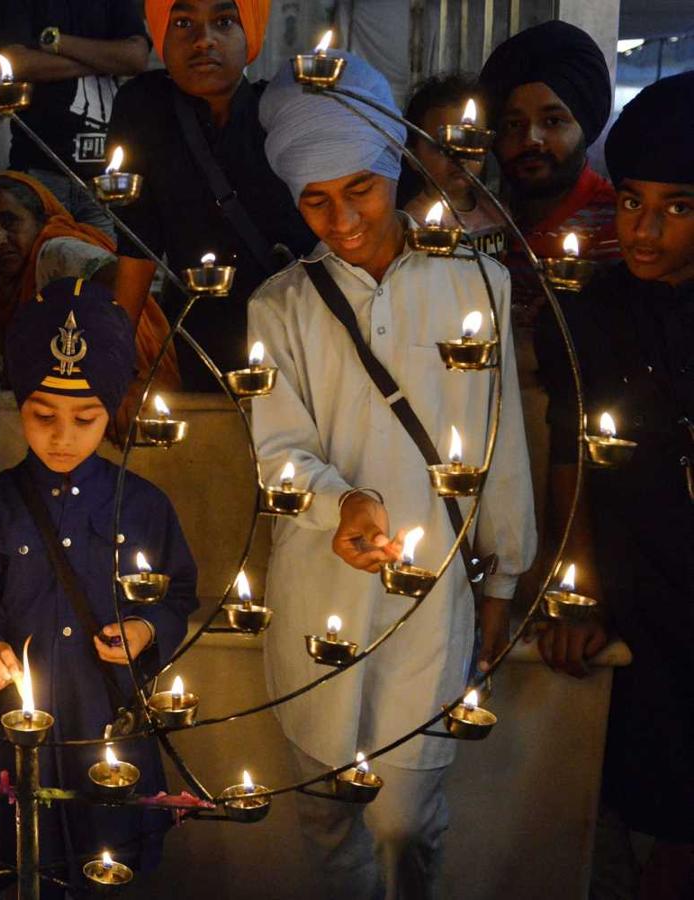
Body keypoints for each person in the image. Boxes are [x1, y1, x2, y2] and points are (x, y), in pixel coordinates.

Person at [249, 51, 535, 897]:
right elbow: (278, 453)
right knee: (328, 807)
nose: (340, 220)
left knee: (405, 817)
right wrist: (343, 503)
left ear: (389, 168)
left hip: (433, 594)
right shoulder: (279, 305)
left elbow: (501, 437)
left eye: (358, 191)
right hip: (315, 588)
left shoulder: (477, 281)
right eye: (315, 199)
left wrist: (503, 578)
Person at [0, 278, 198, 892]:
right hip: (12, 726)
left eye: (85, 418)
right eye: (42, 415)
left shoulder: (142, 505)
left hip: (102, 719)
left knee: (106, 861)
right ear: (20, 404)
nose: (62, 435)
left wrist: (145, 629)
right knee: (11, 864)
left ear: (110, 412)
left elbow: (176, 595)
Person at [534, 71, 694, 900]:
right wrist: (579, 591)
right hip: (642, 571)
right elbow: (570, 453)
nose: (645, 228)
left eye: (677, 207)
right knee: (657, 812)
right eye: (632, 202)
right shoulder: (594, 312)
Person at [107, 0, 314, 390]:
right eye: (183, 22)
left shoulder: (286, 111)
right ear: (160, 33)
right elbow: (137, 246)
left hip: (303, 338)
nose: (204, 41)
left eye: (224, 22)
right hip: (201, 339)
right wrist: (116, 365)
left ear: (249, 32)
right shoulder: (144, 108)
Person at [0, 170, 179, 433]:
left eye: (10, 222)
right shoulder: (13, 281)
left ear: (41, 220)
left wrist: (123, 376)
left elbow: (118, 285)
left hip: (133, 397)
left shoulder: (57, 251)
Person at [479, 19, 621, 329]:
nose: (531, 139)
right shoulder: (477, 221)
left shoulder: (624, 229)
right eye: (514, 124)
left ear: (585, 125)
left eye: (553, 121)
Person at [0, 0, 150, 233]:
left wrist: (58, 42)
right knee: (46, 263)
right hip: (41, 167)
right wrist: (104, 61)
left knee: (106, 264)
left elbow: (135, 57)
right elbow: (17, 63)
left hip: (105, 174)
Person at [397, 74, 505, 257]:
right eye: (442, 147)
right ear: (413, 156)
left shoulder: (497, 210)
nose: (460, 158)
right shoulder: (413, 222)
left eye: (471, 143)